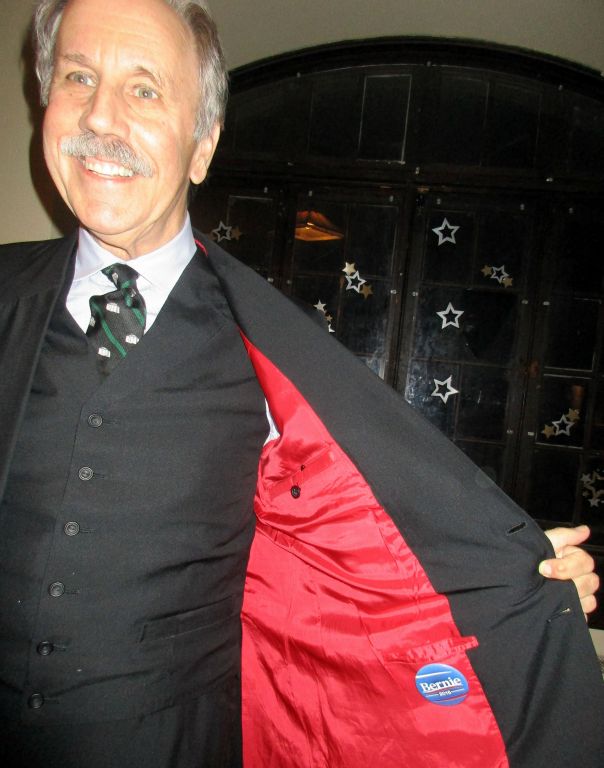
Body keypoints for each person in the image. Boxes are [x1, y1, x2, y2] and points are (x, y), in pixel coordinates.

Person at [0, 1, 601, 766]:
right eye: (78, 77)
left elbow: (373, 542)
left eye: (144, 89)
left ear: (202, 146)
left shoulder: (275, 353)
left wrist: (515, 580)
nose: (100, 117)